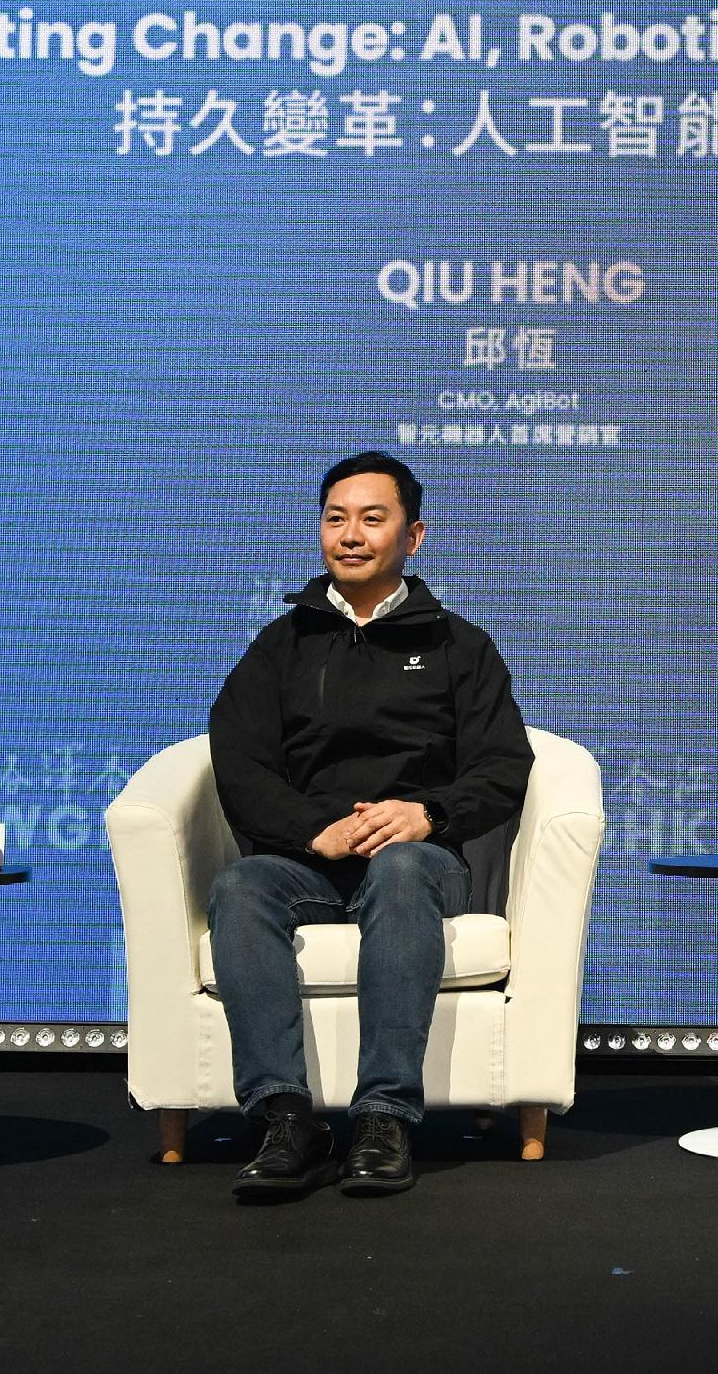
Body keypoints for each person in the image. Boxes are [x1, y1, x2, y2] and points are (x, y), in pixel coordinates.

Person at [206, 452, 532, 1202]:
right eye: (335, 518)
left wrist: (427, 814)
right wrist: (310, 830)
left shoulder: (460, 646)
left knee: (401, 867)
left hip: (419, 863)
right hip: (311, 863)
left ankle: (383, 1117)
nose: (350, 535)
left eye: (372, 519)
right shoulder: (280, 646)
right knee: (242, 886)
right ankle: (286, 1119)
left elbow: (502, 767)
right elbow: (240, 762)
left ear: (414, 537)